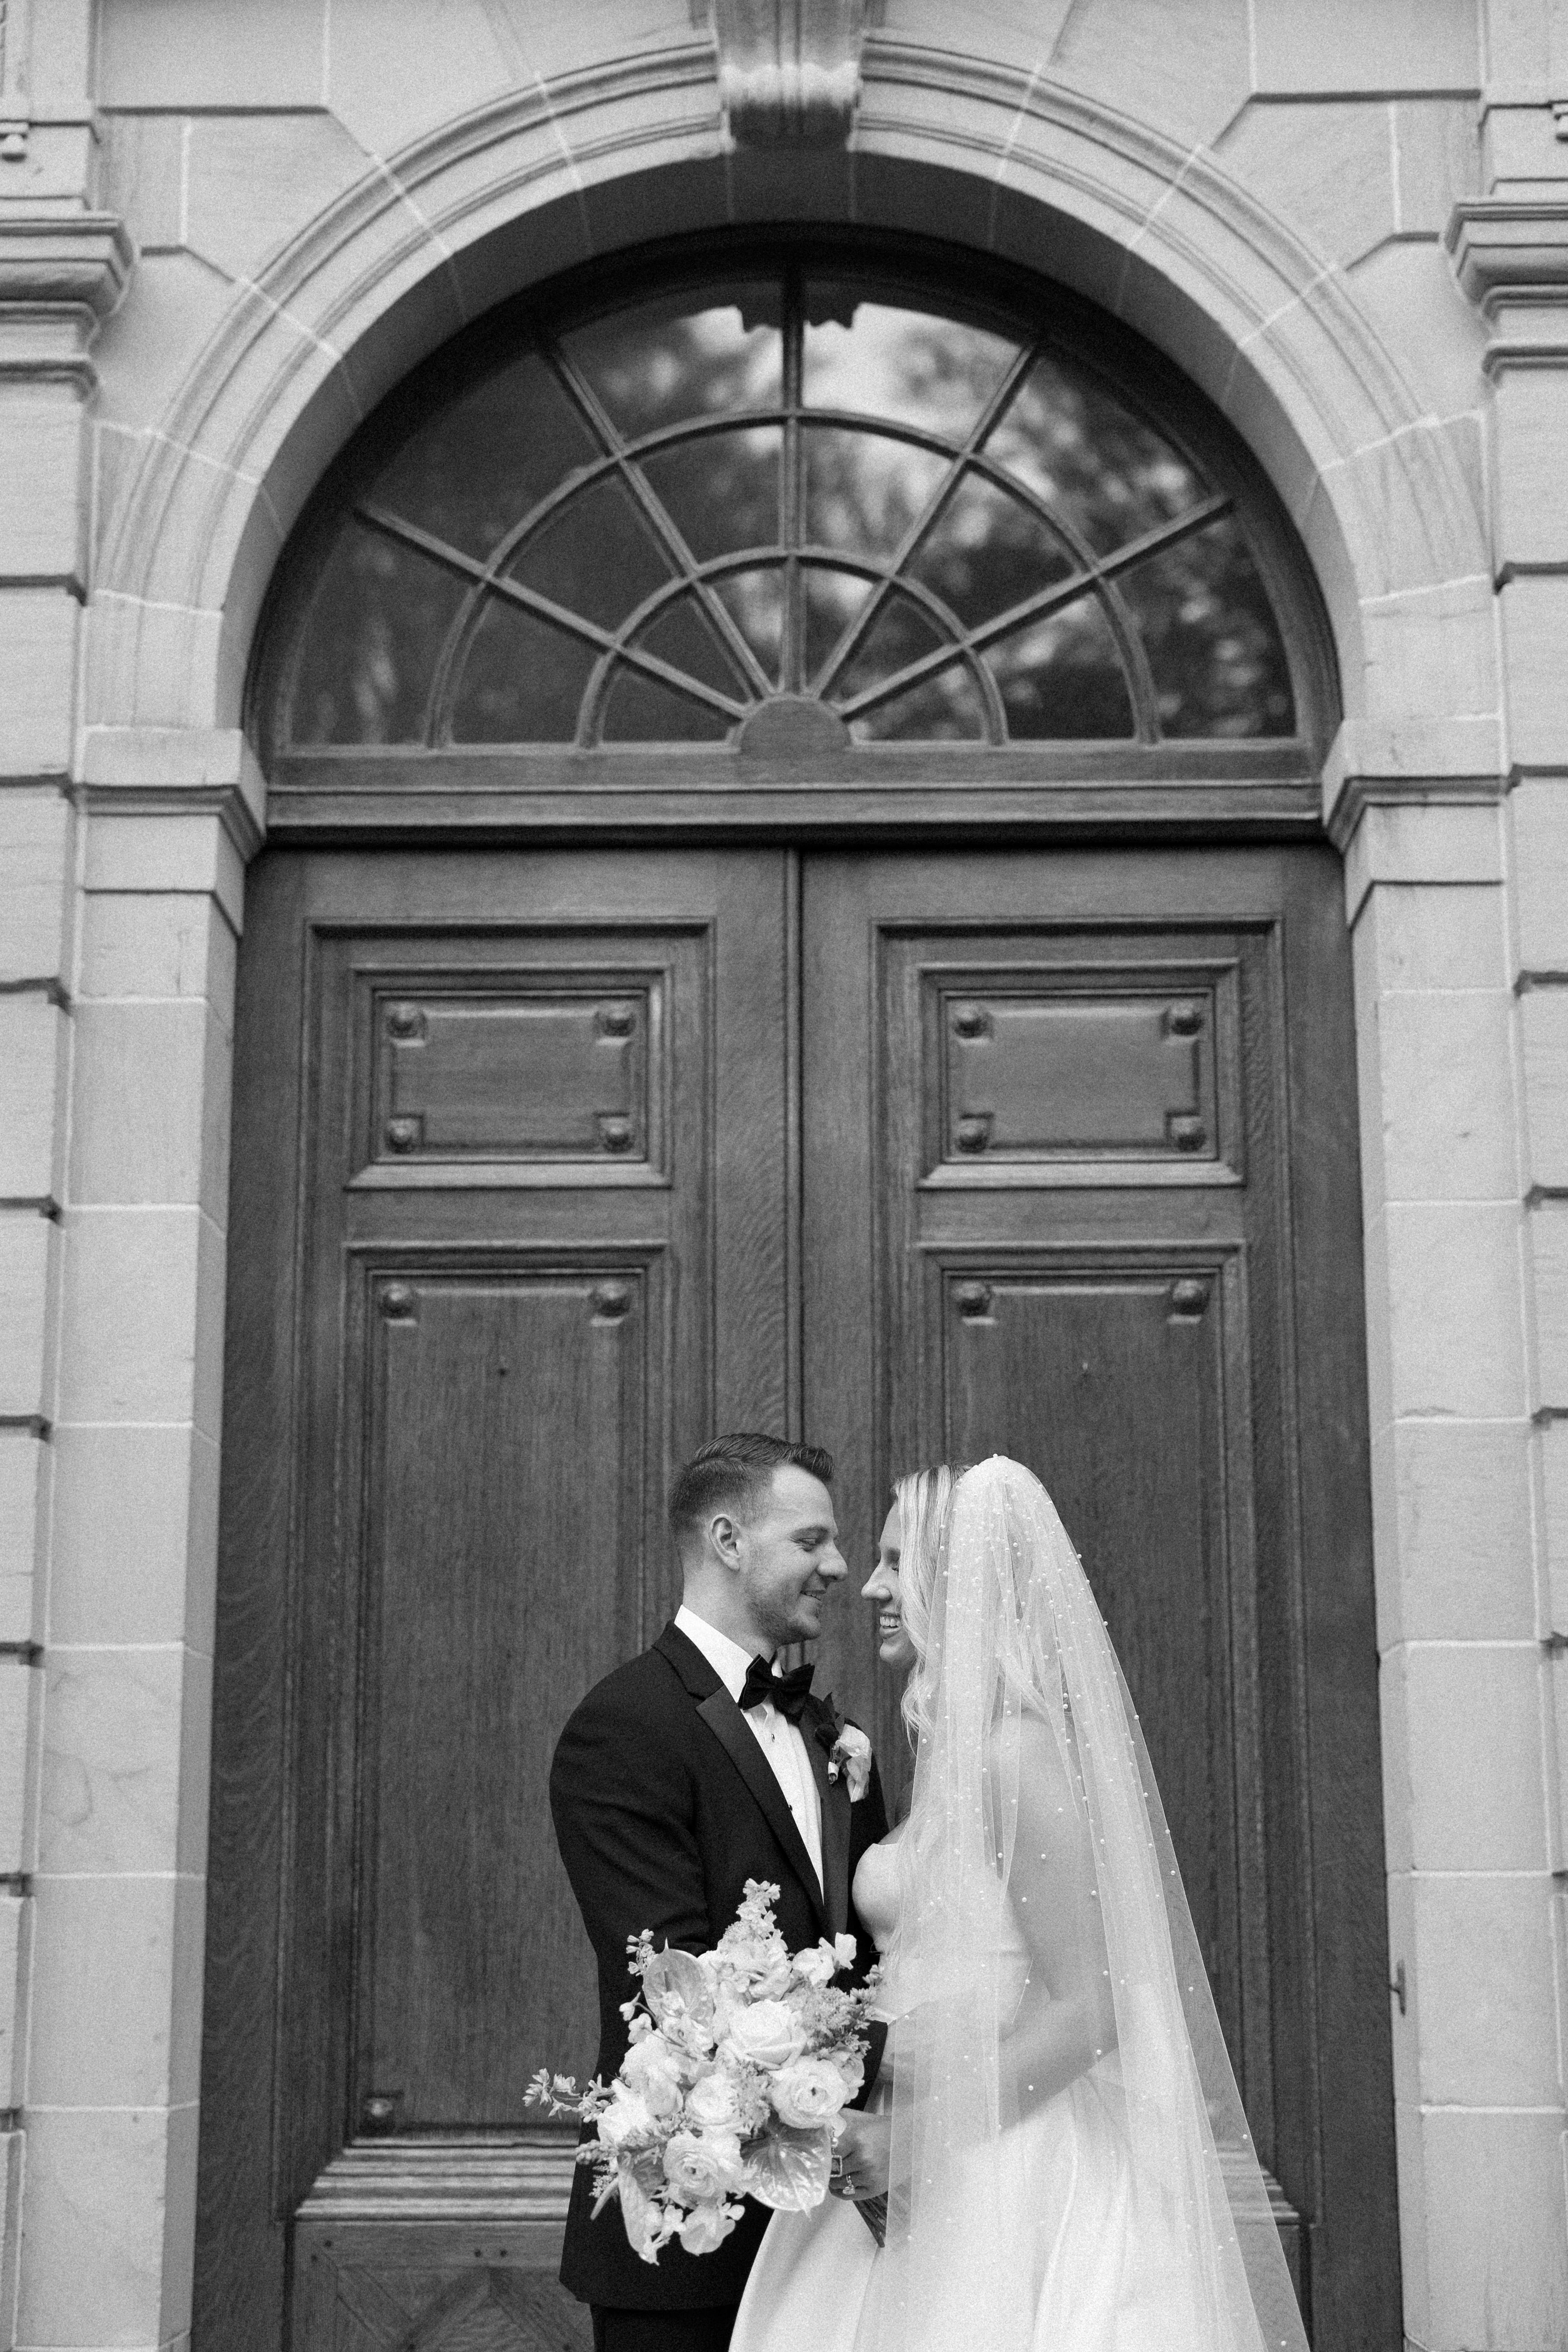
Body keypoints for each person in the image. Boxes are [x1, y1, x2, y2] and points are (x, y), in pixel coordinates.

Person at [730, 1455, 1312, 2352]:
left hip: (1003, 2163)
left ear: (959, 1582)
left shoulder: (1017, 1753)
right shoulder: (952, 1755)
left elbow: (1092, 2007)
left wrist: (916, 2137)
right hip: (909, 2144)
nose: (871, 1585)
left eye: (896, 1563)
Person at [550, 1432, 889, 2352]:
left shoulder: (834, 1736)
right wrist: (830, 2128)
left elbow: (869, 1960)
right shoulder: (625, 1723)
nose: (839, 1566)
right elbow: (675, 1987)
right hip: (689, 2230)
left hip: (839, 2243)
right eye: (811, 1540)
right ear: (729, 1540)